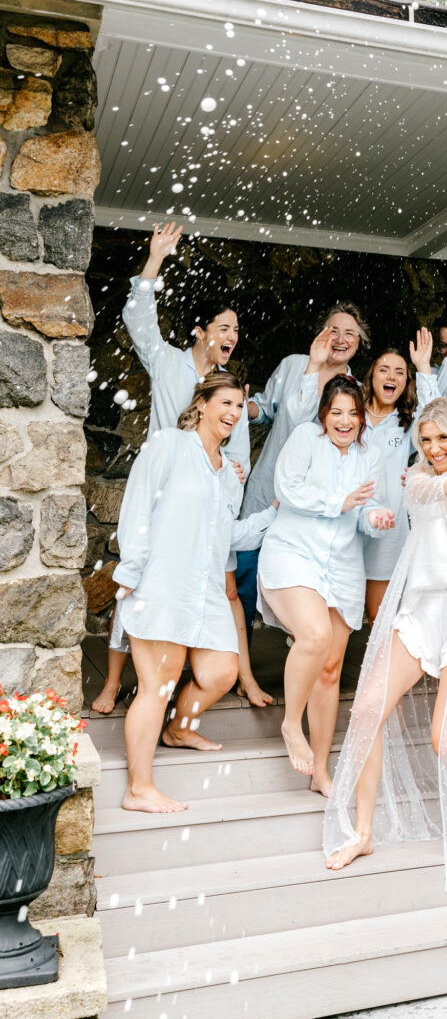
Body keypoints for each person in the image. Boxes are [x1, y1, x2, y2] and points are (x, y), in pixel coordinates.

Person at [323, 398, 447, 901]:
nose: (434, 449)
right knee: (368, 709)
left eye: (442, 439)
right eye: (426, 440)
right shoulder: (417, 480)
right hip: (419, 616)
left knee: (446, 740)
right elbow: (434, 488)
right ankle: (363, 833)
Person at [91, 221, 273, 715]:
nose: (231, 336)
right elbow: (139, 321)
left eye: (236, 330)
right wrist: (154, 261)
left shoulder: (228, 390)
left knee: (223, 589)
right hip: (163, 494)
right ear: (201, 331)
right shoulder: (168, 362)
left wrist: (234, 478)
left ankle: (225, 677)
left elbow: (235, 449)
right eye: (223, 327)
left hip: (210, 502)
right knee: (137, 584)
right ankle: (112, 683)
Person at [112, 373, 278, 813]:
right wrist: (131, 569)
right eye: (224, 403)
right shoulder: (168, 445)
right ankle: (138, 788)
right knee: (158, 684)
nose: (232, 413)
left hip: (202, 591)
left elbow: (226, 537)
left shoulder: (228, 473)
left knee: (223, 671)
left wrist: (273, 515)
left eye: (239, 407)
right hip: (163, 583)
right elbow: (138, 503)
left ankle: (179, 729)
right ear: (202, 404)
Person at [257, 376, 394, 793]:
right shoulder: (304, 438)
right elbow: (288, 490)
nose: (346, 420)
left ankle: (319, 772)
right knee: (313, 636)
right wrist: (340, 502)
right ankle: (290, 725)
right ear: (324, 413)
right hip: (292, 552)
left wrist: (374, 518)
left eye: (353, 413)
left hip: (342, 565)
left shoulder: (368, 456)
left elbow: (364, 509)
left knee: (331, 669)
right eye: (337, 411)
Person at [235, 303, 369, 643]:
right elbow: (270, 410)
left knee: (304, 582)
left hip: (314, 504)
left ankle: (300, 660)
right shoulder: (295, 364)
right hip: (270, 489)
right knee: (245, 575)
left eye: (350, 333)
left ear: (360, 341)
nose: (340, 339)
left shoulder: (353, 387)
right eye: (333, 330)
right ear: (320, 333)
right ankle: (241, 666)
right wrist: (240, 408)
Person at [361, 328, 440, 624]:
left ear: (407, 381)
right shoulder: (349, 415)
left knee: (379, 619)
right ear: (371, 376)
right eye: (384, 370)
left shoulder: (405, 424)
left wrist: (422, 367)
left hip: (387, 533)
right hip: (346, 528)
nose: (391, 376)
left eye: (399, 372)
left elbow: (435, 419)